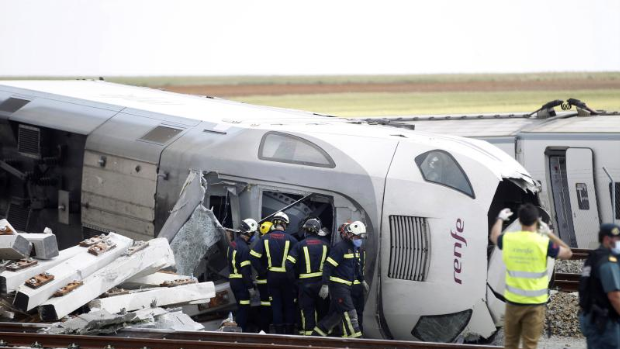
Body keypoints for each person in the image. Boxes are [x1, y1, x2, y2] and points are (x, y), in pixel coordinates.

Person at [490, 204, 572, 349]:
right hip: (535, 303)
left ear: (520, 221)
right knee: (530, 343)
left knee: (511, 343)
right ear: (536, 221)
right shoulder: (543, 242)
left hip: (514, 301)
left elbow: (494, 237)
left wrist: (500, 218)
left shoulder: (510, 239)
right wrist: (549, 234)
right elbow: (567, 253)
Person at [312, 221, 367, 338]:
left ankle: (315, 337)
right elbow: (328, 266)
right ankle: (357, 341)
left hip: (348, 287)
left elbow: (356, 266)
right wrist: (325, 285)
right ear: (350, 235)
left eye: (361, 237)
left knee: (334, 317)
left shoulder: (355, 248)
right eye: (357, 236)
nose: (359, 239)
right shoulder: (340, 248)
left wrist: (361, 280)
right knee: (350, 314)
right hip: (338, 287)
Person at [250, 212, 298, 334]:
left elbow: (254, 256)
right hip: (287, 277)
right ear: (285, 224)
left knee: (275, 305)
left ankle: (278, 332)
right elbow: (298, 260)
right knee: (289, 305)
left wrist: (262, 271)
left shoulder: (265, 238)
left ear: (274, 223)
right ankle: (289, 332)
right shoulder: (292, 239)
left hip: (272, 276)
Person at [578, 223, 620, 349]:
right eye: (617, 238)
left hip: (592, 320)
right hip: (606, 325)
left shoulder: (593, 258)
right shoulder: (607, 262)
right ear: (607, 239)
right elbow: (614, 296)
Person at [286, 218, 329, 335]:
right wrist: (326, 284)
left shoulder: (299, 245)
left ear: (306, 230)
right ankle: (321, 338)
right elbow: (330, 267)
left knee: (307, 312)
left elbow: (288, 265)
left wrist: (294, 281)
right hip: (321, 284)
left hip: (305, 284)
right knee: (322, 311)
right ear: (317, 231)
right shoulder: (326, 245)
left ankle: (309, 338)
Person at [227, 218, 258, 332]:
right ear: (248, 233)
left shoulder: (233, 245)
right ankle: (240, 334)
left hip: (233, 281)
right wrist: (250, 288)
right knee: (244, 309)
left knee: (240, 307)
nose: (254, 235)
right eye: (253, 233)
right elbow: (245, 271)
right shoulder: (244, 249)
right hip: (241, 283)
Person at [253, 219, 274, 333]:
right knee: (268, 307)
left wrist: (261, 271)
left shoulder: (261, 243)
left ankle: (263, 329)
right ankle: (264, 330)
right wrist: (263, 271)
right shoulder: (267, 244)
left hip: (262, 280)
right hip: (267, 280)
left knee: (265, 306)